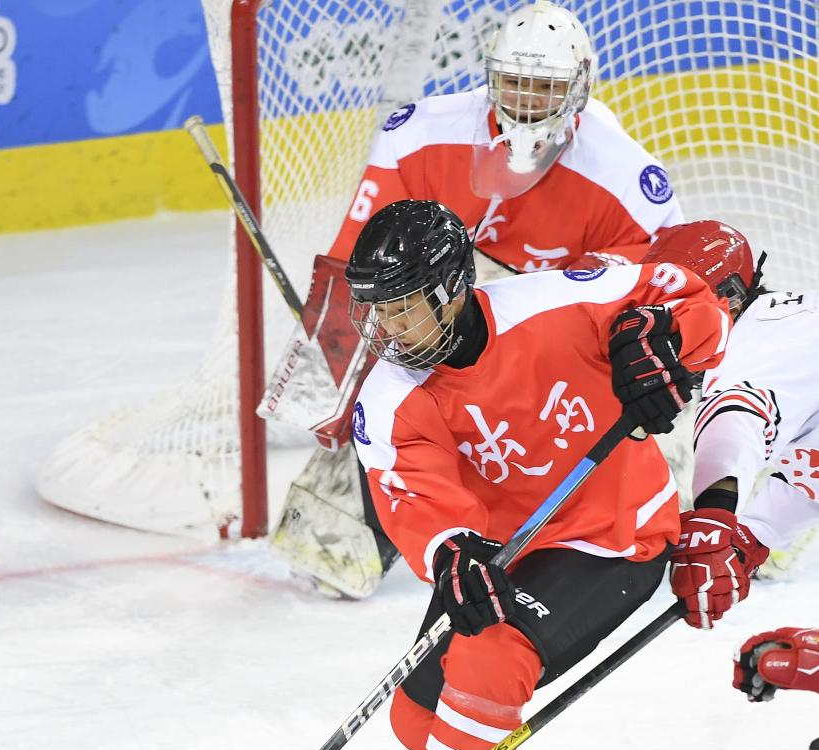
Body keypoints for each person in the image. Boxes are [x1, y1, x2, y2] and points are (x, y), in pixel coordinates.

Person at [329, 199, 745, 750]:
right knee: (415, 710)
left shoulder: (562, 300)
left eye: (400, 307)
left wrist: (666, 340)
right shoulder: (390, 394)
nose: (384, 328)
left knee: (491, 655)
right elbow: (409, 492)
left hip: (614, 536)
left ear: (451, 290)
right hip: (505, 551)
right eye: (375, 310)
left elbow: (694, 298)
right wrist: (449, 550)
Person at [264, 1, 684, 599]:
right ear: (490, 76)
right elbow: (358, 269)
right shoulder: (419, 134)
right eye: (514, 82)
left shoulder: (624, 176)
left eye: (546, 86)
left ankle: (731, 486)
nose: (527, 100)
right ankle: (347, 519)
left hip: (558, 357)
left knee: (650, 412)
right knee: (381, 409)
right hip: (443, 341)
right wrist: (331, 381)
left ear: (579, 86)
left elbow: (661, 297)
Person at [660, 233, 819, 629]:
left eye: (674, 316)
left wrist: (712, 517)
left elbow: (735, 412)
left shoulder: (748, 346)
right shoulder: (788, 324)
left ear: (727, 299)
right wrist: (757, 531)